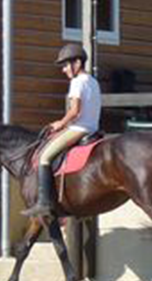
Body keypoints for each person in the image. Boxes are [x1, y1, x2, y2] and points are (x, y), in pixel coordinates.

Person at [22, 43, 101, 218]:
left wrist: (61, 123)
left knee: (44, 157)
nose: (64, 70)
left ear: (78, 63)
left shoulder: (77, 82)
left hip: (78, 128)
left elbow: (75, 111)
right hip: (93, 128)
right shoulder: (93, 81)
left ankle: (44, 202)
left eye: (66, 65)